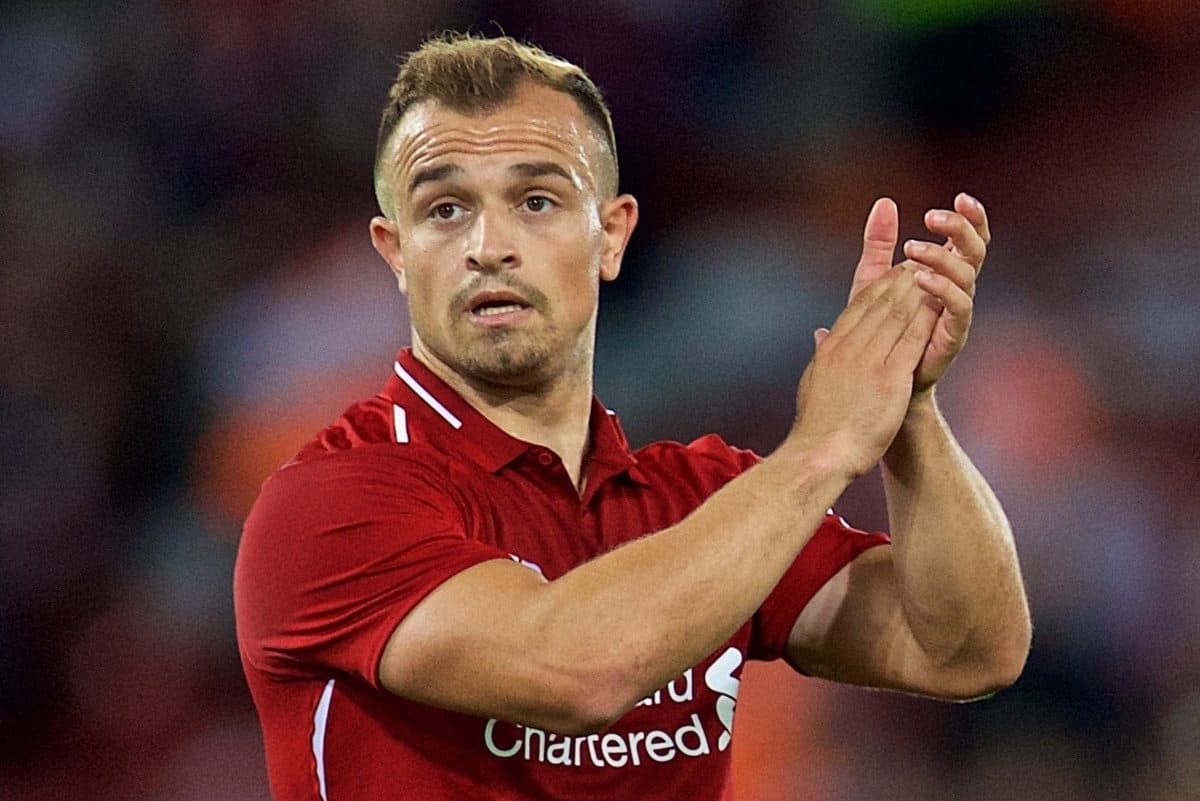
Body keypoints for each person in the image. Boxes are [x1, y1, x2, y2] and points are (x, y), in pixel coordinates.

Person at [234, 33, 1031, 801]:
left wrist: (906, 407)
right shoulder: (328, 505)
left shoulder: (703, 501)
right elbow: (576, 669)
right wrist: (820, 450)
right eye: (444, 209)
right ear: (395, 251)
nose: (488, 245)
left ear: (611, 235)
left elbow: (965, 649)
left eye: (536, 199)